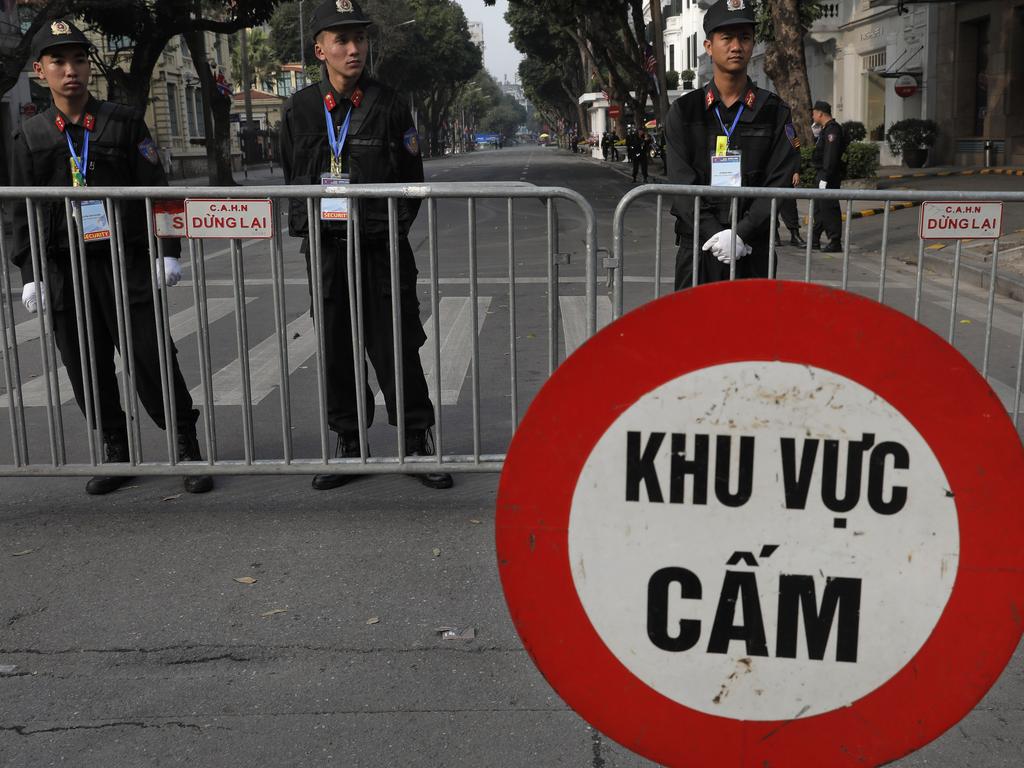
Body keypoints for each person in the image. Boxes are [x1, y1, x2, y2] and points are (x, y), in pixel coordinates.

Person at [9, 20, 212, 496]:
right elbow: (20, 211)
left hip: (124, 262)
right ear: (40, 72)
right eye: (58, 61)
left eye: (79, 58)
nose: (70, 69)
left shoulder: (122, 122)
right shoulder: (30, 136)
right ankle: (115, 449)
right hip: (64, 268)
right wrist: (30, 272)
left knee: (151, 355)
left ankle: (185, 445)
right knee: (85, 362)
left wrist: (166, 251)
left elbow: (156, 192)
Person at [279, 0, 451, 491]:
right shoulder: (300, 110)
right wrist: (312, 235)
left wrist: (387, 231)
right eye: (342, 40)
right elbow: (295, 179)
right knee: (336, 344)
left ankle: (417, 438)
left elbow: (411, 184)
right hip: (329, 250)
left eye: (360, 39)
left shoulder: (390, 104)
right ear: (320, 50)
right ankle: (349, 441)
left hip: (380, 249)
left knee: (396, 341)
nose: (354, 49)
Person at [664, 0, 801, 288]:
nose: (736, 46)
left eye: (745, 37)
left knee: (754, 332)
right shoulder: (685, 111)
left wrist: (741, 234)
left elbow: (780, 181)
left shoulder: (774, 111)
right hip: (699, 248)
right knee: (695, 331)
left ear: (752, 44)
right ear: (708, 46)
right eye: (726, 38)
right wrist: (716, 234)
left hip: (753, 249)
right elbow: (680, 184)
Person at [811, 100, 845, 252]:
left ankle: (835, 241)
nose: (812, 115)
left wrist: (825, 177)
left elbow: (830, 156)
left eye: (814, 113)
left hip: (828, 176)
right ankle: (815, 239)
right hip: (822, 173)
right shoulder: (825, 130)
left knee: (829, 208)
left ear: (820, 113)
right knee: (819, 209)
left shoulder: (832, 130)